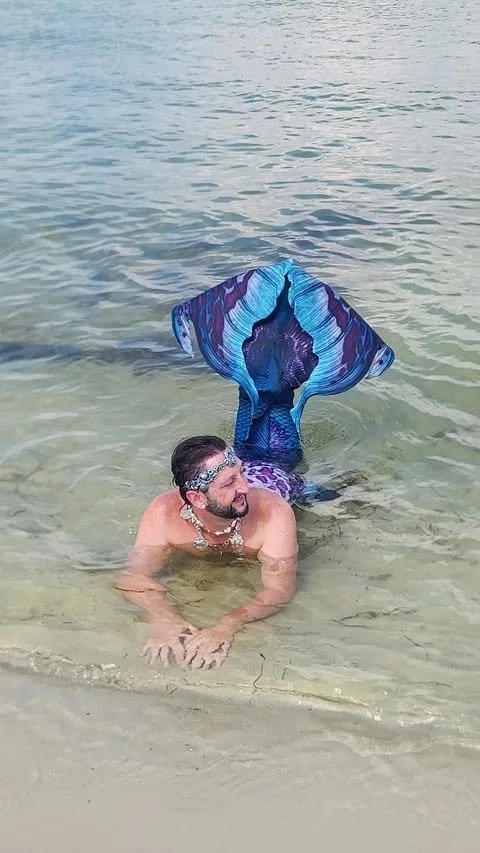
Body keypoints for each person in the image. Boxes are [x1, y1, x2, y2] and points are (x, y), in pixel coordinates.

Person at [116, 435, 298, 670]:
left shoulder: (273, 512)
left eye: (240, 474)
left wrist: (228, 625)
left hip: (277, 480)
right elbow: (132, 578)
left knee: (283, 452)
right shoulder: (163, 512)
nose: (245, 486)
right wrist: (163, 618)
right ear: (197, 498)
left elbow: (279, 591)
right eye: (229, 482)